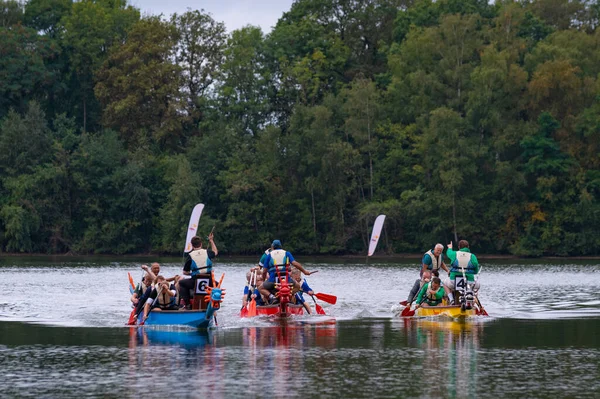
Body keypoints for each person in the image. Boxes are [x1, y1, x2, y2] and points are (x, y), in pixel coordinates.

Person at [258, 239, 315, 304]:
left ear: (272, 247)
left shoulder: (269, 255)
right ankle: (289, 295)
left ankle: (272, 297)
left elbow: (264, 271)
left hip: (272, 280)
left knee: (260, 288)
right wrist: (305, 272)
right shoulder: (287, 253)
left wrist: (263, 279)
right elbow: (295, 263)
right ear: (281, 246)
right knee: (297, 287)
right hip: (287, 280)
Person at [178, 233, 218, 309]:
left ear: (192, 245)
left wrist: (192, 273)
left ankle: (188, 305)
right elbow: (215, 252)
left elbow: (185, 272)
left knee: (181, 283)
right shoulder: (207, 252)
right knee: (217, 285)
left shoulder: (190, 255)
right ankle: (213, 303)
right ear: (201, 244)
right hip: (209, 281)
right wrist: (211, 240)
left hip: (195, 281)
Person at [443, 240, 480, 305]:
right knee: (477, 286)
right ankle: (473, 299)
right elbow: (476, 270)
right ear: (468, 247)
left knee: (444, 283)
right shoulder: (473, 256)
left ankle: (451, 300)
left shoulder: (454, 254)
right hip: (469, 283)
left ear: (459, 247)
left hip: (453, 282)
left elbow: (448, 253)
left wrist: (450, 247)